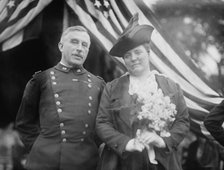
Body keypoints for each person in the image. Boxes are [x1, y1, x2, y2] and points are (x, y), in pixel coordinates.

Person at [96, 14, 189, 170]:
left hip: (162, 163)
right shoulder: (112, 88)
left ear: (148, 52)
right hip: (122, 163)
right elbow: (102, 123)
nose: (133, 58)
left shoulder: (171, 86)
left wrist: (163, 141)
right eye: (127, 55)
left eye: (138, 52)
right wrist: (127, 143)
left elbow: (182, 121)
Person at [15, 26, 105, 170]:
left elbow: (103, 124)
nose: (79, 48)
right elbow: (23, 123)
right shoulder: (41, 79)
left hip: (84, 162)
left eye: (84, 45)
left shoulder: (98, 84)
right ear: (61, 46)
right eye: (74, 42)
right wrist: (41, 148)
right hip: (43, 161)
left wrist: (90, 149)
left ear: (88, 51)